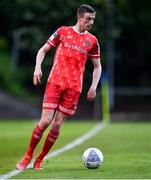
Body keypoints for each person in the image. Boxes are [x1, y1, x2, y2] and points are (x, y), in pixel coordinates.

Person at [16, 4, 102, 170]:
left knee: (56, 125)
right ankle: (28, 156)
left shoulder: (92, 41)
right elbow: (43, 50)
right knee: (45, 121)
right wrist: (37, 68)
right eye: (88, 19)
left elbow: (97, 66)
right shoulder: (63, 31)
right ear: (79, 17)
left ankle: (39, 160)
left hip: (74, 88)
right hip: (55, 82)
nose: (91, 22)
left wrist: (93, 86)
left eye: (93, 19)